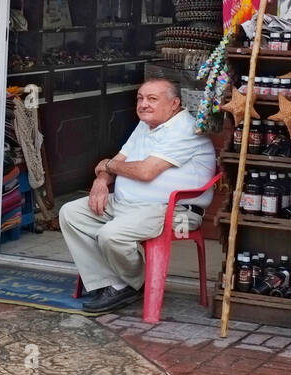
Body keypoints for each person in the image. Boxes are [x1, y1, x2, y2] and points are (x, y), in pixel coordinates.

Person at [59, 79, 217, 314]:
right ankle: (112, 282)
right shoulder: (146, 125)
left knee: (111, 235)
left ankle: (133, 283)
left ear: (175, 104)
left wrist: (107, 165)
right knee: (71, 213)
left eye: (152, 99)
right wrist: (101, 181)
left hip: (172, 211)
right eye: (140, 98)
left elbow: (145, 172)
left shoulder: (185, 129)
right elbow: (117, 163)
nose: (144, 104)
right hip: (128, 205)